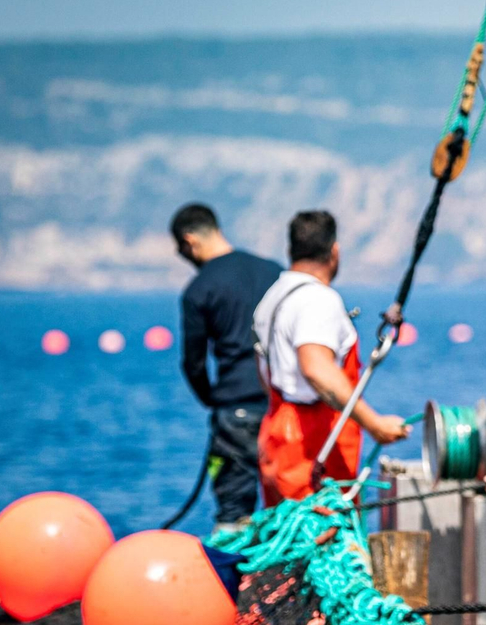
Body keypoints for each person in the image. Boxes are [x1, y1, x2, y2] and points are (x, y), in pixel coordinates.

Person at [251, 211, 409, 505]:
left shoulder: (271, 298)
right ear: (334, 251)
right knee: (328, 543)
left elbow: (266, 376)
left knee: (285, 541)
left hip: (276, 437)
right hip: (314, 449)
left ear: (291, 250)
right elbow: (316, 368)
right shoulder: (318, 299)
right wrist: (374, 424)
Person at [170, 203, 281, 530]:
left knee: (234, 514)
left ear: (190, 240)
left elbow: (193, 363)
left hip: (236, 409)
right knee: (291, 507)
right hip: (282, 403)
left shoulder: (198, 289)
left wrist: (213, 399)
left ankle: (231, 579)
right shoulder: (273, 272)